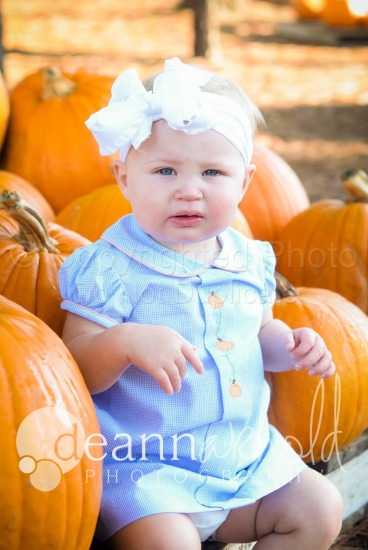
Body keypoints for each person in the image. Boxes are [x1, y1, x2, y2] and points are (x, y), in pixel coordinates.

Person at [59, 57, 343, 549]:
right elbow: (72, 369)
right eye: (165, 170)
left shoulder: (248, 260)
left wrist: (292, 346)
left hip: (243, 462)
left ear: (245, 182)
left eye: (212, 171)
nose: (189, 190)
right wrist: (123, 342)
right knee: (168, 543)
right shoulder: (110, 266)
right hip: (148, 474)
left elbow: (259, 334)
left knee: (319, 507)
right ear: (124, 178)